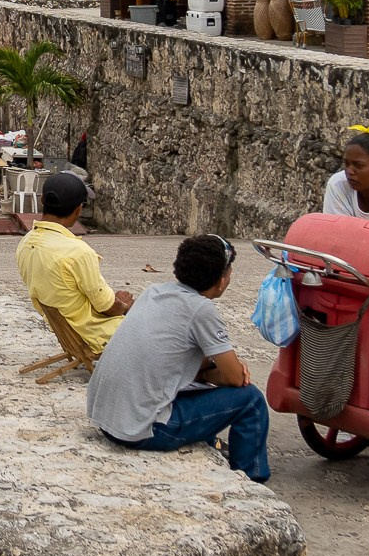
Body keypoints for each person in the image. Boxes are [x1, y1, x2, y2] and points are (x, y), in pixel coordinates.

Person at [87, 235, 270, 484]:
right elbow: (235, 378)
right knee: (251, 400)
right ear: (220, 280)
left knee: (199, 386)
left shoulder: (155, 292)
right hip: (141, 430)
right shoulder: (201, 309)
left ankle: (212, 442)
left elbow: (182, 362)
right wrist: (217, 373)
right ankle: (252, 477)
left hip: (107, 417)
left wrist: (209, 372)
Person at [15, 172, 129, 357]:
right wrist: (125, 306)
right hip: (94, 335)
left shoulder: (26, 243)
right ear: (78, 210)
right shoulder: (78, 252)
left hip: (66, 332)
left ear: (43, 201)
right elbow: (106, 307)